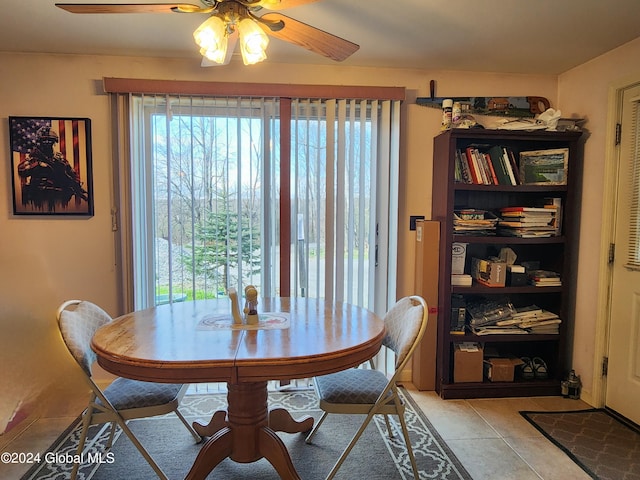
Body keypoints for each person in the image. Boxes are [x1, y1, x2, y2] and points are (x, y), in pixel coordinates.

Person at [17, 125, 88, 211]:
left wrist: (75, 185)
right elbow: (22, 170)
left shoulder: (60, 158)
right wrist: (37, 165)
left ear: (54, 141)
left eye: (50, 140)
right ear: (40, 141)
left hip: (58, 196)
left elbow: (72, 174)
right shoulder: (35, 157)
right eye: (44, 140)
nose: (47, 142)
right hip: (38, 196)